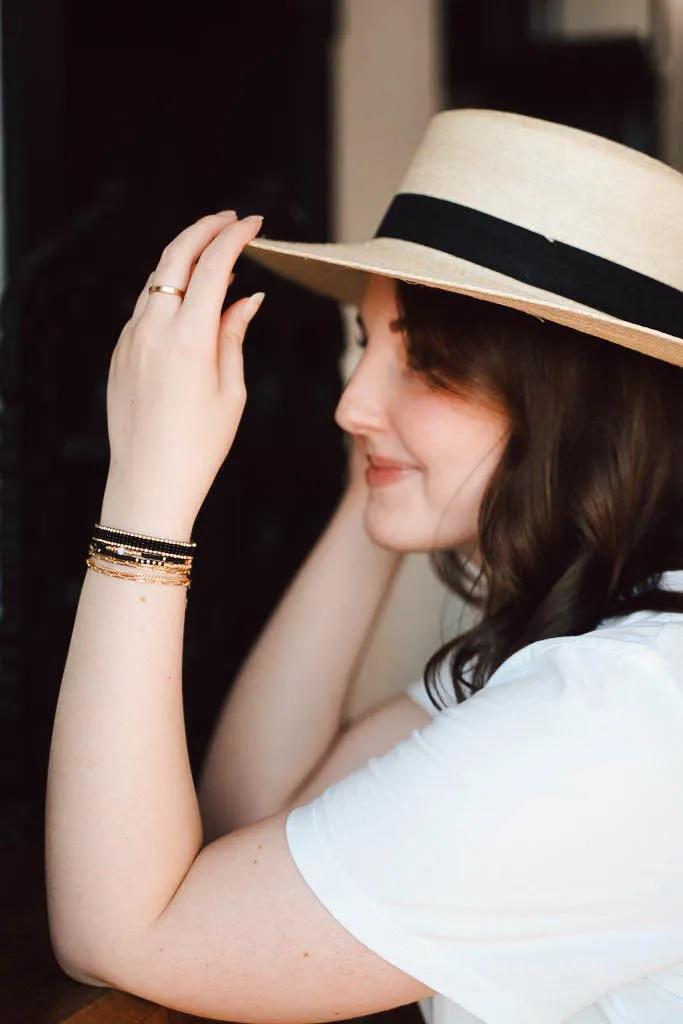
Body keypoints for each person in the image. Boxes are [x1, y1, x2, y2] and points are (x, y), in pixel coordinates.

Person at [45, 109, 683, 1024]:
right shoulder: (593, 646)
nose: (350, 404)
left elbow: (125, 932)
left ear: (576, 409)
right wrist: (376, 495)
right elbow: (252, 827)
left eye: (422, 360)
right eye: (365, 342)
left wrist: (145, 498)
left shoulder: (610, 715)